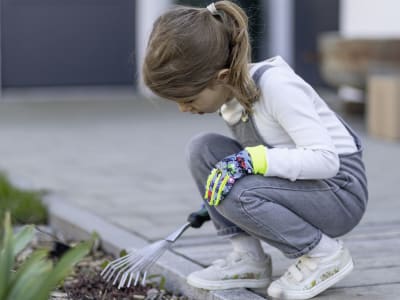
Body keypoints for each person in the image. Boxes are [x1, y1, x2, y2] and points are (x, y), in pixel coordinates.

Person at [142, 1, 368, 299]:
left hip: (339, 194)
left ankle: (324, 254)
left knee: (236, 191)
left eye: (189, 98)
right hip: (305, 188)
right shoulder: (230, 97)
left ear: (220, 78)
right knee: (202, 149)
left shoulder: (276, 87)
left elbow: (326, 161)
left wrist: (251, 161)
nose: (184, 109)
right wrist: (228, 185)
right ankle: (248, 258)